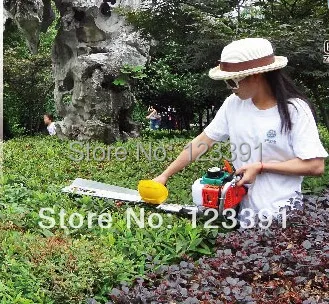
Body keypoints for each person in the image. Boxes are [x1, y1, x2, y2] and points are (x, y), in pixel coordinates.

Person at [153, 38, 328, 224]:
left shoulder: (295, 110)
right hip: (244, 216)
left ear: (256, 76)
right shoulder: (233, 104)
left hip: (284, 216)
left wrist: (261, 167)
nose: (229, 87)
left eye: (232, 81)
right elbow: (202, 142)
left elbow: (315, 166)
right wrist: (165, 175)